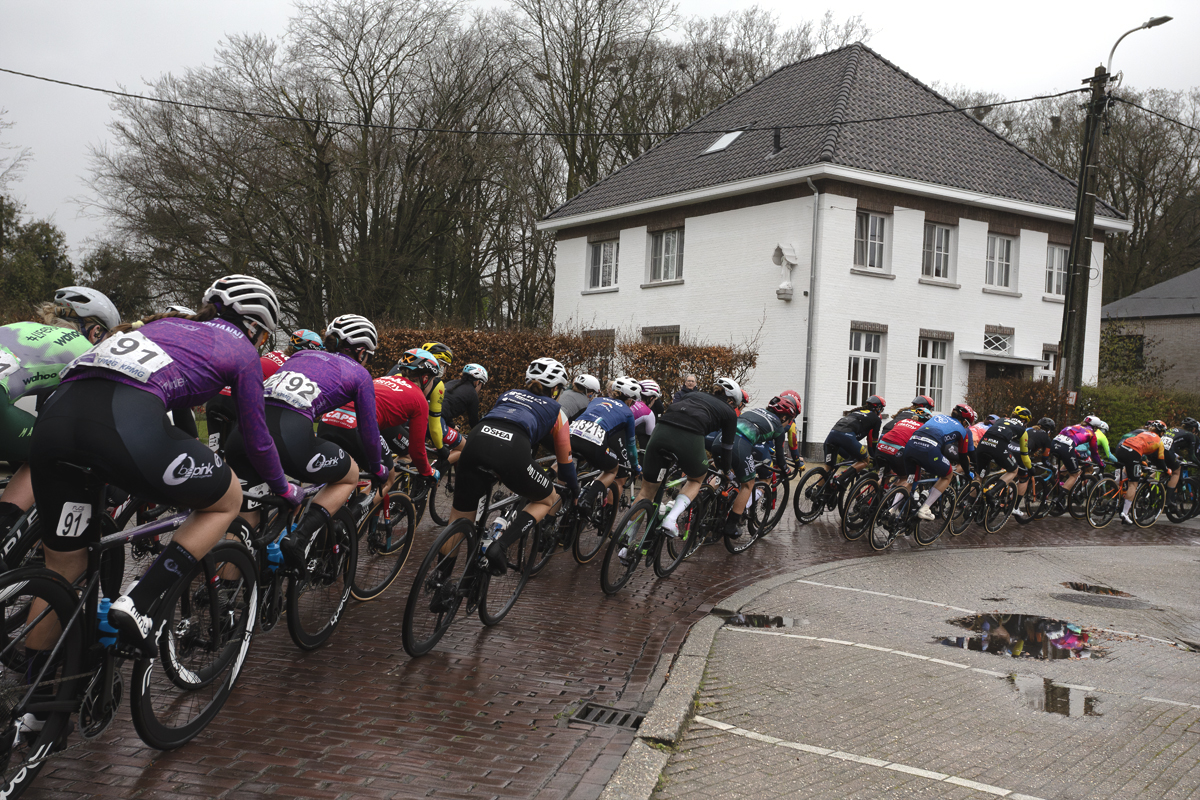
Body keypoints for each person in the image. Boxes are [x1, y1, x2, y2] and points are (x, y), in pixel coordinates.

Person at [31, 274, 300, 652]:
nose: (261, 345)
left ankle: (33, 706)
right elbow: (257, 439)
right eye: (265, 337)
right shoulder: (241, 349)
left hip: (54, 421)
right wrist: (284, 488)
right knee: (227, 499)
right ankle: (139, 603)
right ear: (255, 327)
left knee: (61, 570)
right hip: (120, 426)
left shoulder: (163, 325)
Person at [225, 314, 389, 571]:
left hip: (242, 433)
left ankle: (227, 593)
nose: (367, 360)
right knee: (350, 474)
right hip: (289, 436)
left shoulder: (299, 356)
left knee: (247, 521)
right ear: (360, 352)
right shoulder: (359, 373)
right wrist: (378, 468)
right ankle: (299, 538)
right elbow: (369, 430)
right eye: (369, 355)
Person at [0, 287, 119, 535]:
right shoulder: (84, 349)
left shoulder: (21, 327)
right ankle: (6, 528)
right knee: (47, 453)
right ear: (97, 331)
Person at [449, 358, 578, 576]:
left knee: (459, 519)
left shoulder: (508, 394)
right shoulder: (557, 411)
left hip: (476, 440)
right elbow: (565, 466)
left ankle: (441, 580)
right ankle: (499, 546)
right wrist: (575, 491)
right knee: (549, 498)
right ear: (555, 389)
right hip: (511, 450)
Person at [317, 348, 440, 490]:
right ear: (425, 378)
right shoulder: (420, 399)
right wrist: (428, 471)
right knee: (387, 479)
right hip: (356, 428)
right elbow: (416, 449)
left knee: (339, 476)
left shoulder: (382, 379)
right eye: (434, 380)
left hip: (328, 420)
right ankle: (362, 511)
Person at [635, 377, 740, 539]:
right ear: (732, 401)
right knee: (697, 478)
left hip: (660, 431)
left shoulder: (693, 395)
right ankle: (671, 519)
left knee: (645, 492)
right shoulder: (729, 412)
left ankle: (626, 539)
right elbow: (727, 448)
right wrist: (726, 470)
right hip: (690, 435)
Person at [719, 394, 798, 539]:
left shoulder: (753, 411)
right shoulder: (779, 427)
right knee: (748, 484)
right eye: (791, 419)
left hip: (719, 440)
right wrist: (786, 470)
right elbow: (780, 460)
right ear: (784, 417)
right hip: (742, 446)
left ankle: (707, 501)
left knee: (723, 473)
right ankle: (731, 524)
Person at [571, 376, 641, 510]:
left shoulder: (596, 400)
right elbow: (631, 446)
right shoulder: (628, 413)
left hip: (572, 433)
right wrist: (636, 466)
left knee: (564, 465)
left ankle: (550, 519)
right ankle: (587, 500)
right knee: (612, 469)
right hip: (594, 440)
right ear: (630, 400)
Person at [904, 403, 977, 521]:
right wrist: (968, 473)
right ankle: (925, 508)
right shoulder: (963, 431)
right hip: (929, 449)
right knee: (948, 475)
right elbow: (963, 457)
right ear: (965, 422)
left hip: (910, 445)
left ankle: (892, 510)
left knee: (911, 480)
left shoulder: (937, 417)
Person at [822, 395, 885, 494]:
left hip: (832, 436)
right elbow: (873, 442)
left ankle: (818, 493)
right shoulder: (876, 419)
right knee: (865, 460)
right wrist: (875, 456)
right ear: (878, 408)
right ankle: (840, 479)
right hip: (846, 437)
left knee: (828, 468)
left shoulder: (855, 412)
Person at [1114, 421, 1167, 524]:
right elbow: (1160, 461)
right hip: (1133, 453)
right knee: (1133, 483)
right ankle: (1125, 513)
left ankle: (1115, 485)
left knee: (1128, 469)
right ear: (1161, 432)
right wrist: (1166, 470)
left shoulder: (1144, 433)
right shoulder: (1159, 441)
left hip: (1121, 449)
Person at [975, 406, 1033, 493]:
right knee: (1014, 470)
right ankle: (991, 492)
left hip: (983, 444)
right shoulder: (1022, 430)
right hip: (998, 448)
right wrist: (1030, 468)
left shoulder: (1000, 419)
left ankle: (968, 503)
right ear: (1024, 421)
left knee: (979, 476)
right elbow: (1024, 456)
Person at [1050, 415, 1105, 494]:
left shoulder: (1072, 427)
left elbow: (1065, 440)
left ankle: (1055, 485)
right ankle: (1059, 499)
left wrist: (1076, 454)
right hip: (1066, 447)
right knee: (1074, 474)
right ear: (1095, 427)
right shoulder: (1092, 433)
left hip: (1054, 444)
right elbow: (1094, 453)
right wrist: (1101, 465)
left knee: (1065, 466)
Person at [1162, 418, 1199, 512]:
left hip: (1157, 449)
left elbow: (1174, 447)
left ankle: (1147, 487)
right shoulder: (1190, 435)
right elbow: (1192, 456)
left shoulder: (1174, 429)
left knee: (1163, 470)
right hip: (1167, 451)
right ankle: (1167, 501)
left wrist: (1178, 457)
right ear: (1194, 429)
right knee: (1176, 472)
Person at [442, 363, 488, 432]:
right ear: (477, 382)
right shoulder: (472, 394)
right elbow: (473, 422)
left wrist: (452, 426)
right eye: (482, 385)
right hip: (437, 420)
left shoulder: (451, 383)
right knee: (462, 442)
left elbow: (445, 408)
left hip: (429, 413)